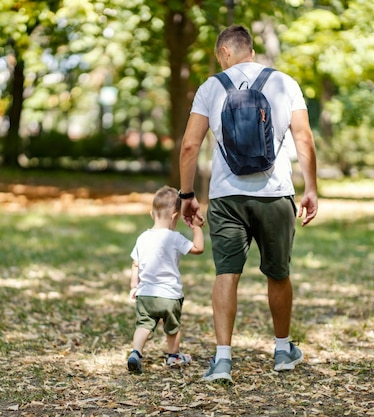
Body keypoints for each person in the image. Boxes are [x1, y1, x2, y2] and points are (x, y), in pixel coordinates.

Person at [178, 24, 318, 382]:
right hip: (275, 195)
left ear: (225, 53)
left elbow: (190, 146)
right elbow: (304, 139)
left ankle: (222, 359)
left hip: (227, 198)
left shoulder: (211, 87)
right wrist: (311, 188)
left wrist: (187, 194)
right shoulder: (285, 83)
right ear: (250, 50)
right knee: (278, 272)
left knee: (226, 274)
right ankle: (283, 350)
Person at [127, 185, 205, 373]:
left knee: (144, 325)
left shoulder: (142, 238)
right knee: (172, 328)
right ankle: (173, 356)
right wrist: (196, 227)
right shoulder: (175, 238)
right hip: (170, 295)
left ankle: (136, 352)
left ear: (151, 214)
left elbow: (135, 264)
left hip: (146, 294)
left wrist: (133, 287)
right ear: (175, 216)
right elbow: (198, 248)